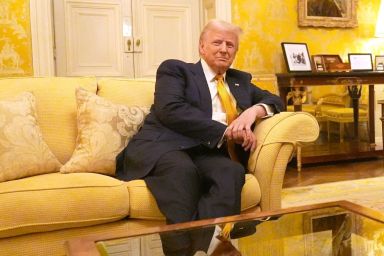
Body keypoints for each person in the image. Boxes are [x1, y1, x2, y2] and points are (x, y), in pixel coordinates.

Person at [116, 19, 283, 255]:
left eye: (230, 45)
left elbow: (276, 101)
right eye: (217, 42)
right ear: (202, 47)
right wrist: (225, 131)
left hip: (206, 152)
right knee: (182, 171)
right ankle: (184, 251)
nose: (224, 49)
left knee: (231, 172)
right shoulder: (176, 70)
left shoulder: (240, 81)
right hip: (165, 146)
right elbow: (170, 110)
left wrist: (253, 112)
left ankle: (208, 249)